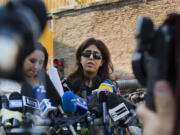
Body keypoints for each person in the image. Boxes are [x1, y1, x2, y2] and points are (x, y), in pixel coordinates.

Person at [21, 42, 61, 106]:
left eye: (40, 62)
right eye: (32, 61)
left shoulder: (46, 79)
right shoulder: (7, 81)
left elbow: (57, 102)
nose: (36, 66)